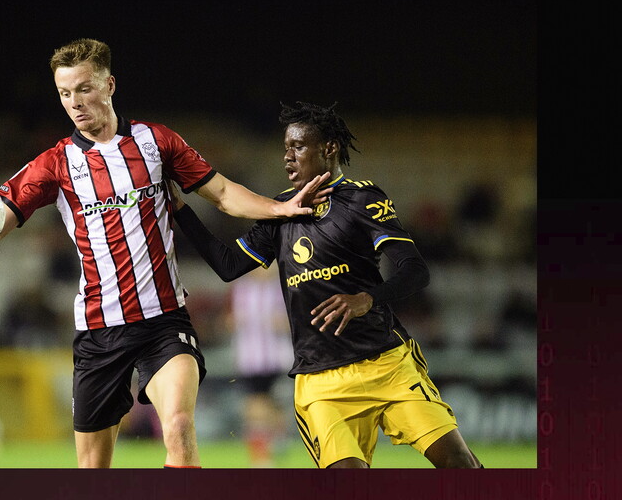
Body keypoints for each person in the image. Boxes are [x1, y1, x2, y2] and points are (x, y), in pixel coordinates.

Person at [0, 38, 327, 469]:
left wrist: (280, 207)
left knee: (177, 426)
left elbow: (224, 194)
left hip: (164, 322)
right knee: (94, 471)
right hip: (99, 334)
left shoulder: (157, 143)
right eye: (64, 93)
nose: (74, 102)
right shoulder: (54, 165)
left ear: (110, 85)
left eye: (84, 88)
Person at [168, 100, 482, 468]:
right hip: (320, 382)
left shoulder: (363, 199)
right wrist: (180, 210)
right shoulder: (281, 212)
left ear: (329, 149)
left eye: (298, 147)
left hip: (387, 365)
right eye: (285, 148)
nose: (287, 158)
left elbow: (416, 271)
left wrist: (368, 298)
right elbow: (228, 266)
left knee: (461, 466)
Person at [225, 266, 293, 467]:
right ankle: (262, 455)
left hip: (277, 357)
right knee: (255, 407)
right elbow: (229, 320)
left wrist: (280, 323)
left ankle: (275, 443)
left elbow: (293, 321)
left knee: (271, 408)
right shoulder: (241, 289)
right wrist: (234, 321)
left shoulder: (282, 289)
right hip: (249, 359)